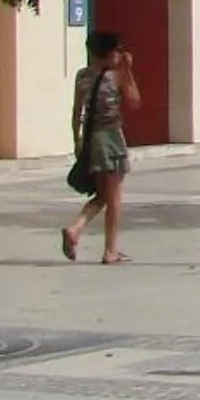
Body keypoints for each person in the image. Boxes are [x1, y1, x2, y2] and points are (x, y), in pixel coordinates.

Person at [61, 30, 140, 263]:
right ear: (109, 54)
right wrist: (127, 71)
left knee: (104, 194)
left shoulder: (82, 76)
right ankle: (109, 250)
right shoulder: (115, 76)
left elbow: (77, 113)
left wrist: (77, 140)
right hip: (111, 138)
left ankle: (76, 229)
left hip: (91, 138)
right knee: (114, 197)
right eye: (118, 50)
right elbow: (135, 101)